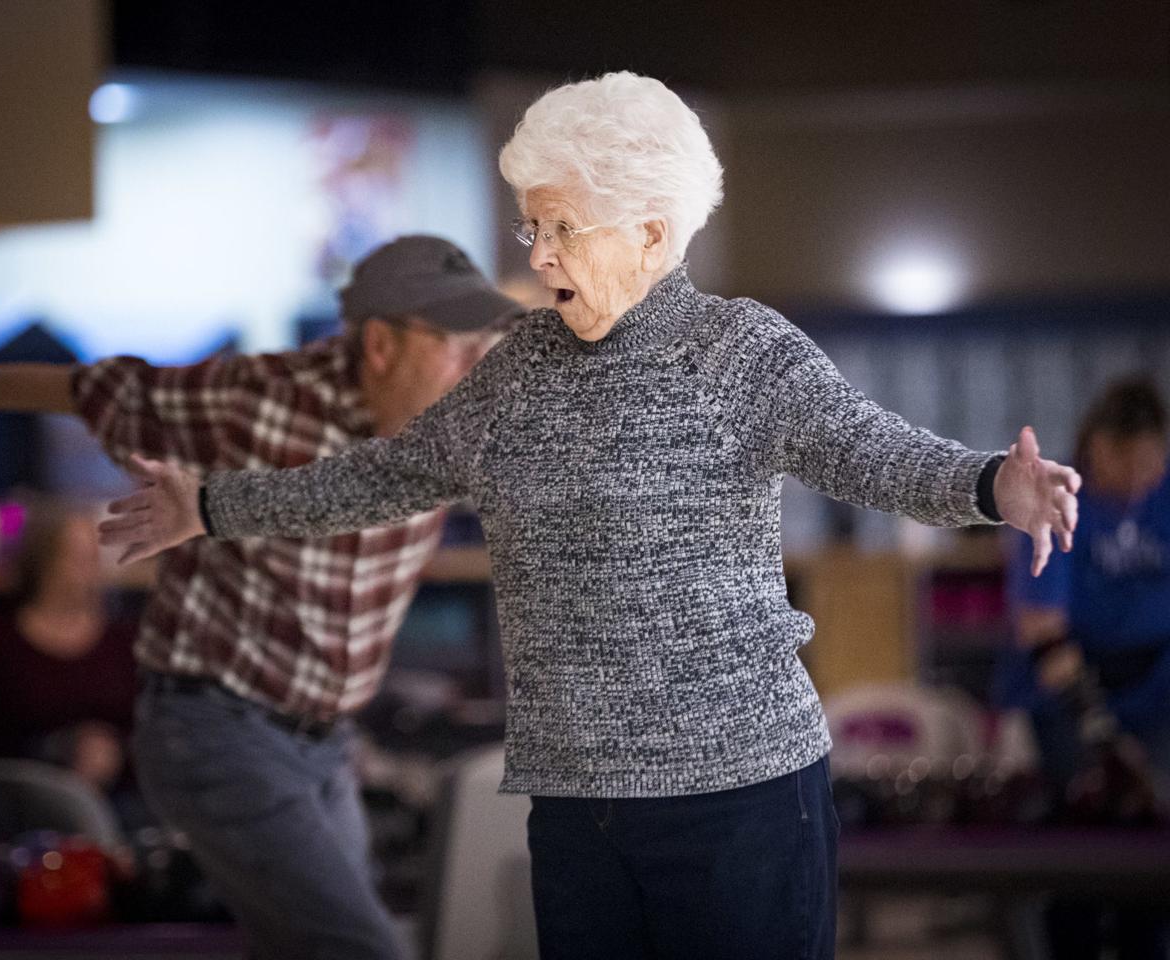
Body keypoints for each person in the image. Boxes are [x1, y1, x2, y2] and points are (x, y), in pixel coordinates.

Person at [100, 73, 1081, 960]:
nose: (539, 252)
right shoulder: (516, 368)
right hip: (574, 806)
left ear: (652, 232)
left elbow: (873, 454)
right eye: (532, 227)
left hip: (736, 796)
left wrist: (997, 484)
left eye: (563, 227)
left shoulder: (741, 351)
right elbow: (383, 475)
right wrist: (212, 504)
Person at [0, 235, 523, 960]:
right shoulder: (249, 398)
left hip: (328, 745)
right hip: (213, 728)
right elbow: (84, 389)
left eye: (483, 347)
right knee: (359, 948)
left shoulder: (462, 423)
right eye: (454, 347)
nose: (472, 370)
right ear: (382, 345)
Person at [1000, 375, 1170, 960]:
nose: (1131, 477)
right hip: (1071, 688)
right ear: (1094, 446)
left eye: (1146, 462)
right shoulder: (1058, 492)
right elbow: (1042, 633)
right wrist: (1101, 732)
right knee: (1082, 826)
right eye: (1118, 460)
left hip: (1156, 685)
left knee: (1151, 833)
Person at [0, 502, 139, 799]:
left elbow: (151, 731)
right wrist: (58, 750)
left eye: (93, 558)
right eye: (74, 559)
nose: (88, 572)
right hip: (22, 801)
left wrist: (114, 751)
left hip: (120, 800)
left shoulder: (123, 641)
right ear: (42, 563)